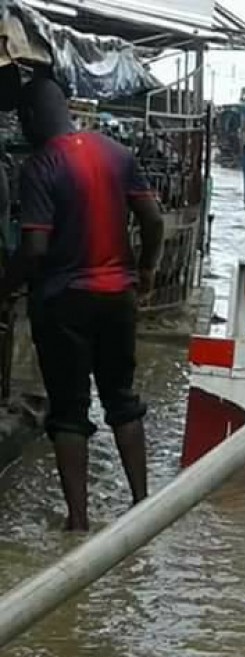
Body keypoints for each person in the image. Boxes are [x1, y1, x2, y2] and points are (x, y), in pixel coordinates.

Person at [0, 77, 164, 531]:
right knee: (122, 400)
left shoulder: (41, 165)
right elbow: (152, 221)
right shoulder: (117, 153)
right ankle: (143, 508)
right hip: (118, 298)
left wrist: (4, 288)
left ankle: (77, 523)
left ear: (30, 118)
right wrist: (146, 270)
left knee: (69, 411)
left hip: (63, 302)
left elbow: (33, 248)